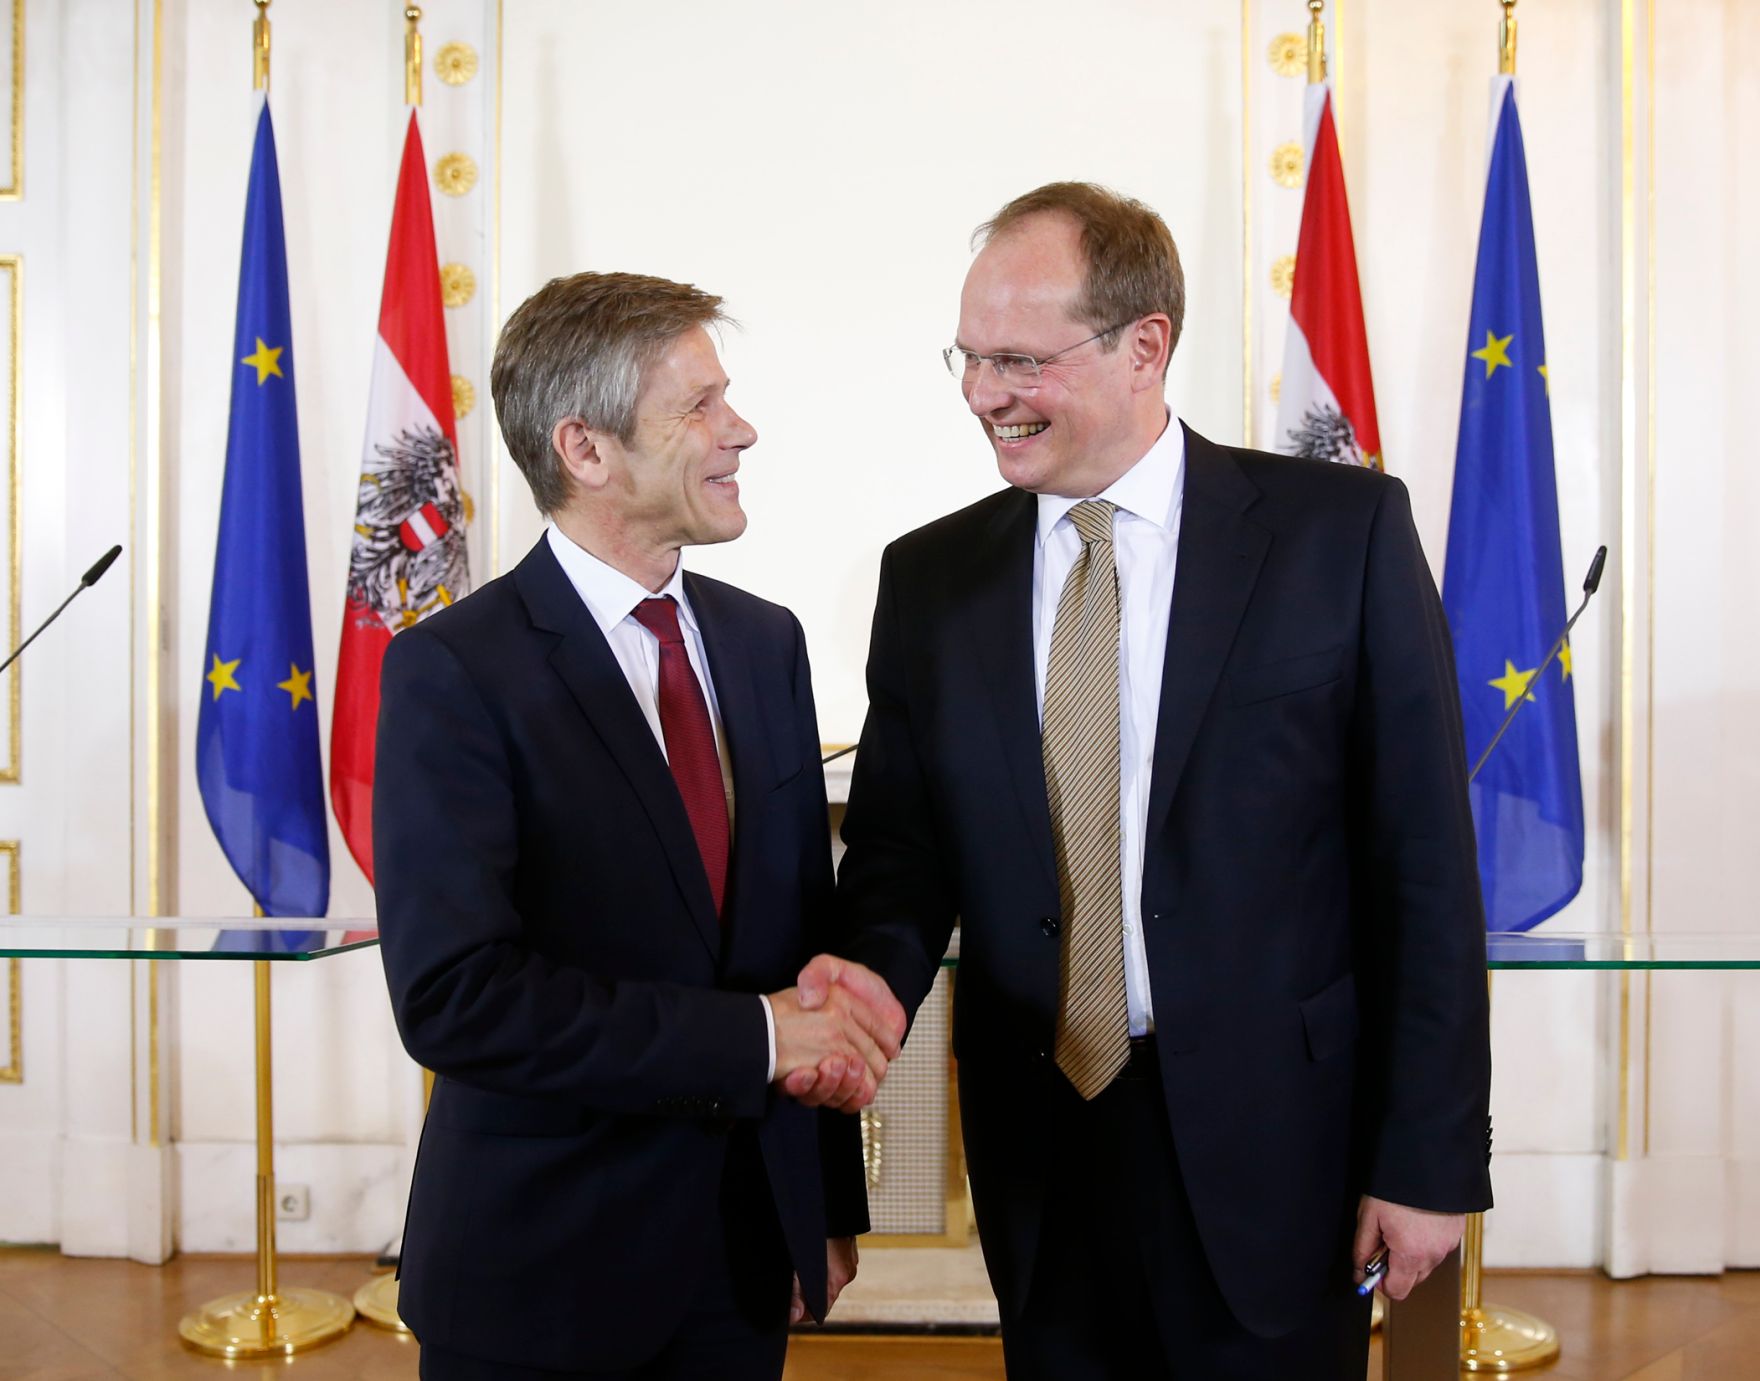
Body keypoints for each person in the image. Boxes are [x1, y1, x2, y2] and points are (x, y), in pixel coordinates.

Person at [817, 182, 1493, 1378]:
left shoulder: (1341, 536)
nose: (983, 394)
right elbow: (899, 857)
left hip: (1281, 1143)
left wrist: (1426, 1160)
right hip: (1040, 1143)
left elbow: (1423, 870)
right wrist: (863, 982)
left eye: (1017, 359)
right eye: (967, 358)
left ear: (1145, 345)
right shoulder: (929, 578)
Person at [374, 271, 905, 1380]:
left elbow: (800, 942)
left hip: (741, 1258)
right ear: (585, 449)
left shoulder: (767, 644)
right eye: (698, 405)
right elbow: (456, 996)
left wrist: (821, 1199)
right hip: (539, 1272)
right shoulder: (454, 672)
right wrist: (754, 1040)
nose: (739, 429)